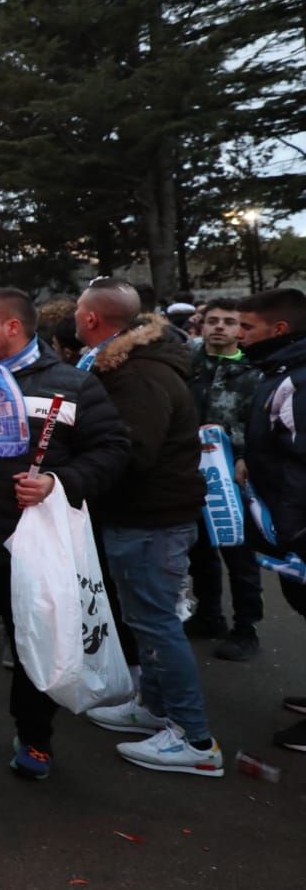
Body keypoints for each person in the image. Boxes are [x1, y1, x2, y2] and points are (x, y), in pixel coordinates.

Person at [0, 287, 131, 779]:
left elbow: (114, 450)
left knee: (36, 641)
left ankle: (35, 738)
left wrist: (59, 482)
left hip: (36, 547)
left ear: (12, 327)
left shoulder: (71, 386)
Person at [73, 281, 221, 776]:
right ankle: (154, 706)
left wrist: (72, 469)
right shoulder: (131, 367)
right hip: (142, 517)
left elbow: (132, 452)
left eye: (78, 310)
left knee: (157, 623)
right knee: (146, 620)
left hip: (151, 519)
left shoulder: (137, 376)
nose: (74, 317)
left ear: (93, 319)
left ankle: (193, 737)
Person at [234, 288, 306, 753]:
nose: (239, 336)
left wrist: (294, 528)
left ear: (278, 330)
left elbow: (302, 458)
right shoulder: (280, 371)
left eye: (247, 328)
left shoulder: (297, 379)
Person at [183, 298, 262, 660]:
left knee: (238, 552)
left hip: (234, 473)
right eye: (212, 320)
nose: (219, 327)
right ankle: (208, 614)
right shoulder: (188, 364)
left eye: (228, 322)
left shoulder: (255, 371)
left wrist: (247, 458)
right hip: (189, 469)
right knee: (199, 549)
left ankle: (246, 628)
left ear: (240, 329)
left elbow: (259, 423)